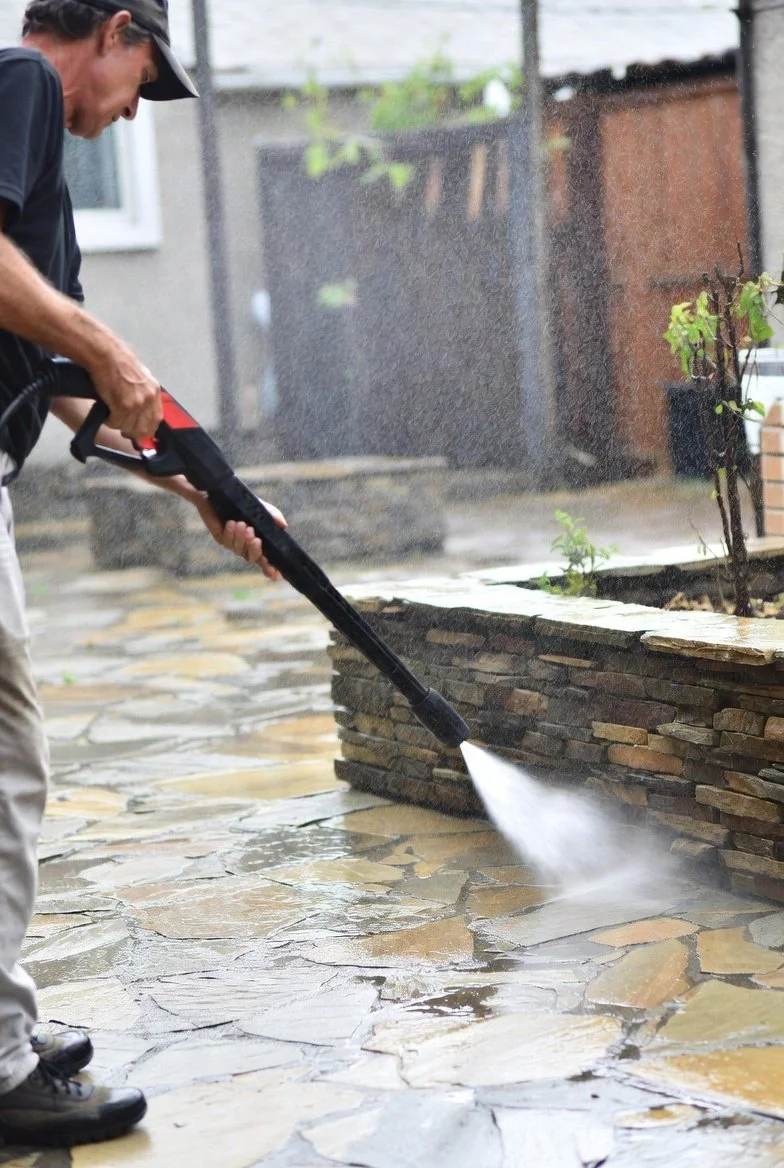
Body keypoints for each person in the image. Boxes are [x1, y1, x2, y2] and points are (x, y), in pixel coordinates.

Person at [0, 0, 285, 1147]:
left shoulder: (36, 176)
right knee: (6, 762)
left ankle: (4, 1027)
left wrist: (206, 492)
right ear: (115, 31)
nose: (130, 115)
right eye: (142, 82)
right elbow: (81, 354)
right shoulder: (19, 80)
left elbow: (68, 394)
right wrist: (111, 346)